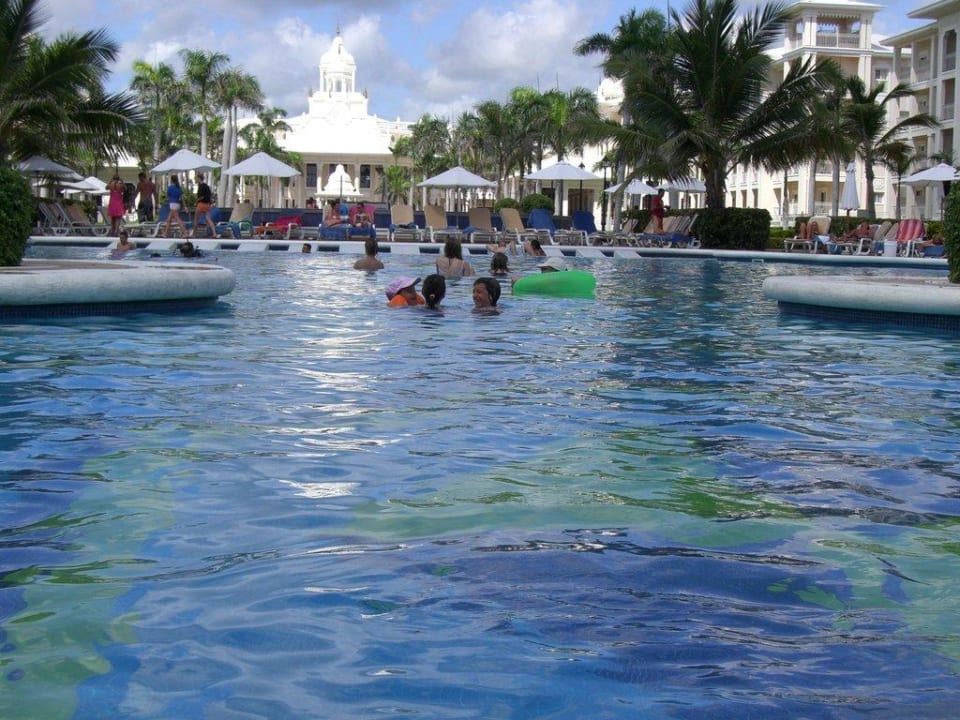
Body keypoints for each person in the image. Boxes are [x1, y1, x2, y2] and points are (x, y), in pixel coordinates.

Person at [192, 173, 214, 238]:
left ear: (199, 178)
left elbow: (201, 196)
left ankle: (194, 234)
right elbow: (210, 196)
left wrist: (196, 202)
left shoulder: (201, 186)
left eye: (197, 179)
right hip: (207, 205)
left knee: (196, 219)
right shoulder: (207, 186)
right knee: (209, 219)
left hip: (201, 204)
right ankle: (214, 233)